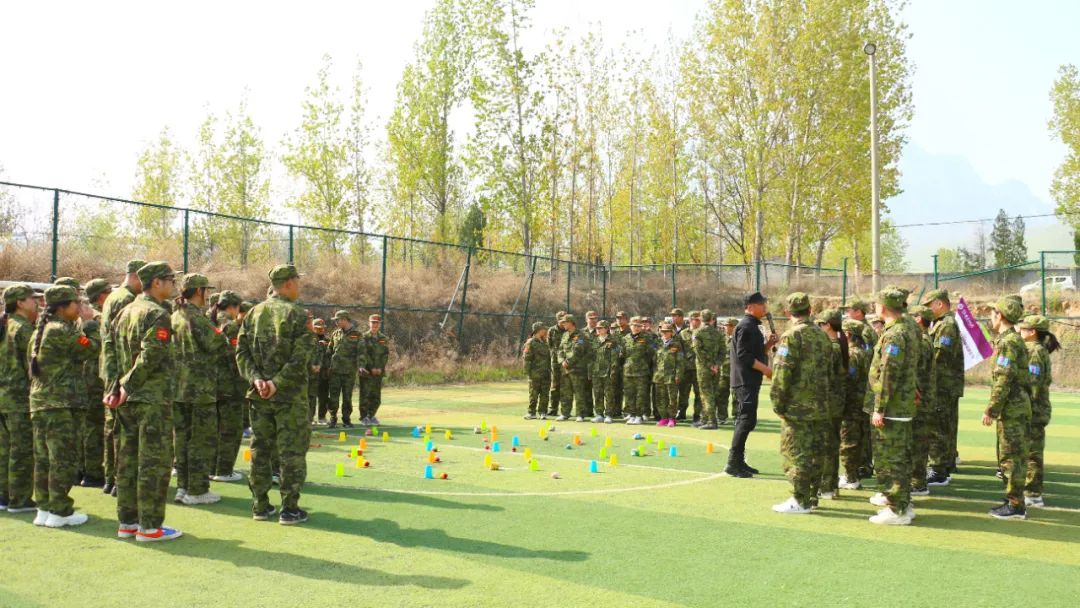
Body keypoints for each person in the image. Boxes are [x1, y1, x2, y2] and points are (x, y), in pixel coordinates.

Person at [103, 261, 183, 542]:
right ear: (157, 283)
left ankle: (128, 522)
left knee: (127, 461)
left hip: (126, 400)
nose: (173, 285)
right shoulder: (157, 314)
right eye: (170, 280)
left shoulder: (124, 312)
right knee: (154, 463)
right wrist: (128, 384)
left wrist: (115, 387)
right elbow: (151, 354)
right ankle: (149, 526)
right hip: (151, 399)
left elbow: (109, 351)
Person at [236, 264, 315, 525]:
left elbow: (241, 353)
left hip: (259, 396)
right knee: (291, 452)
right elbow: (301, 357)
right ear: (289, 283)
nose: (299, 286)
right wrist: (277, 383)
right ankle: (289, 509)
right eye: (297, 281)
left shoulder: (253, 313)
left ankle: (260, 505)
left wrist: (257, 380)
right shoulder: (299, 315)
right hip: (290, 397)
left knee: (260, 449)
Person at [27, 285, 99, 527]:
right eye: (76, 303)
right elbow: (91, 348)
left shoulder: (42, 330)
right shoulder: (61, 330)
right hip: (61, 403)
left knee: (44, 458)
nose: (80, 307)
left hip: (43, 403)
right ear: (62, 307)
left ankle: (45, 508)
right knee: (63, 458)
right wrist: (89, 324)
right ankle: (60, 511)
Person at [770, 293, 831, 513]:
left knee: (795, 453)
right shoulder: (822, 335)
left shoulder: (791, 336)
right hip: (820, 405)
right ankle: (811, 496)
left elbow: (781, 373)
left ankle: (800, 499)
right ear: (810, 310)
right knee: (815, 453)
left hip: (797, 408)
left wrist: (777, 403)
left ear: (788, 312)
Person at [170, 273, 226, 506]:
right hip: (199, 388)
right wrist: (223, 333)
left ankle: (183, 486)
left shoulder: (175, 315)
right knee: (201, 440)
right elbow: (215, 343)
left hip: (178, 387)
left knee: (182, 439)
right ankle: (197, 489)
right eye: (205, 290)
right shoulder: (196, 317)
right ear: (199, 291)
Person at [866, 288, 917, 525]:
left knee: (891, 459)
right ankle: (903, 504)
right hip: (901, 404)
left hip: (893, 408)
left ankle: (897, 509)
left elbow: (888, 373)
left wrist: (880, 407)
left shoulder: (895, 334)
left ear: (883, 307)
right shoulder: (906, 328)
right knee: (900, 458)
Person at [982, 297, 1032, 520]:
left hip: (1013, 408)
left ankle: (1016, 505)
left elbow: (1003, 379)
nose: (991, 317)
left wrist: (991, 410)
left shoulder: (1008, 342)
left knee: (1011, 457)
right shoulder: (1010, 339)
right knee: (1009, 455)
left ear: (1000, 315)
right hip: (1014, 406)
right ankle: (1013, 499)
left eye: (993, 313)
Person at [99, 258, 144, 497]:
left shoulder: (114, 296)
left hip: (112, 369)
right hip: (120, 371)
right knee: (122, 429)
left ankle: (111, 478)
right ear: (136, 276)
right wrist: (119, 382)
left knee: (113, 427)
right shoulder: (126, 299)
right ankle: (120, 479)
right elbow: (121, 341)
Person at [0, 284, 41, 514]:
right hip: (19, 398)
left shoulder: (4, 324)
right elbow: (33, 366)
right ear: (20, 303)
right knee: (22, 449)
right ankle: (20, 498)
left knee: (4, 449)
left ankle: (4, 495)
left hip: (4, 397)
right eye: (32, 299)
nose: (37, 302)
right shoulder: (23, 329)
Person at [728, 292, 777, 478]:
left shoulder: (754, 326)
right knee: (745, 420)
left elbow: (754, 352)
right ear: (750, 307)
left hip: (750, 380)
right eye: (761, 304)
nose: (765, 308)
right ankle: (733, 463)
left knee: (749, 420)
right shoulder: (746, 326)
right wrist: (766, 370)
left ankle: (739, 461)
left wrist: (768, 344)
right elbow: (743, 355)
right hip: (744, 380)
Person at [922, 288, 964, 485]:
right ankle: (945, 465)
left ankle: (938, 470)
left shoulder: (946, 325)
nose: (927, 310)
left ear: (939, 304)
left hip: (941, 384)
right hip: (945, 384)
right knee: (946, 426)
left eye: (929, 305)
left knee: (938, 428)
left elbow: (940, 356)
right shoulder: (942, 323)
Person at [1019, 315, 1057, 507]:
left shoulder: (1035, 352)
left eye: (1023, 328)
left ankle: (1033, 493)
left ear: (1032, 332)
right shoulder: (1037, 349)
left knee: (1032, 453)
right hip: (1035, 408)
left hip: (1034, 409)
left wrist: (1023, 406)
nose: (1020, 331)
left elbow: (1032, 384)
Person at [78, 279, 111, 489]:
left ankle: (83, 469)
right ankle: (92, 472)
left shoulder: (78, 319)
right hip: (94, 380)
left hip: (84, 380)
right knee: (94, 427)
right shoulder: (94, 320)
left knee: (87, 426)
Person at [210, 290, 246, 482]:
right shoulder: (230, 326)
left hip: (211, 384)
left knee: (214, 428)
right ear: (234, 306)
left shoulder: (208, 321)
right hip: (230, 385)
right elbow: (236, 358)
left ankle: (211, 467)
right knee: (230, 429)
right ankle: (224, 470)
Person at [816, 309, 848, 500]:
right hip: (835, 401)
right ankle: (830, 485)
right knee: (831, 443)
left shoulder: (832, 348)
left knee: (827, 444)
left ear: (828, 325)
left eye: (821, 324)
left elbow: (825, 377)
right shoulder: (837, 345)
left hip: (829, 402)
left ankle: (827, 486)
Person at [839, 319, 871, 490]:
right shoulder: (865, 352)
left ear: (848, 334)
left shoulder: (852, 354)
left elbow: (848, 379)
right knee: (860, 440)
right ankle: (856, 472)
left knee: (849, 441)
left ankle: (850, 477)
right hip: (863, 403)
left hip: (852, 404)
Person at [325, 310, 365, 429]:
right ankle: (333, 418)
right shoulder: (335, 333)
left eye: (337, 320)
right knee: (333, 396)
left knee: (347, 397)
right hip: (335, 371)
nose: (336, 322)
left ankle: (346, 420)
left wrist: (361, 366)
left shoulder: (357, 335)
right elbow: (329, 351)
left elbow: (361, 352)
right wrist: (327, 366)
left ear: (344, 320)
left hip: (349, 371)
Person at [691, 309, 724, 430]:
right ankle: (704, 419)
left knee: (706, 394)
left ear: (701, 318)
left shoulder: (697, 332)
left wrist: (710, 365)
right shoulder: (718, 333)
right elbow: (723, 351)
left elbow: (698, 351)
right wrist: (717, 365)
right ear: (712, 319)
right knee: (711, 393)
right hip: (715, 369)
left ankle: (711, 421)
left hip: (704, 368)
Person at [557, 314, 592, 422]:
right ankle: (565, 413)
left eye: (565, 322)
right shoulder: (564, 335)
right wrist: (562, 360)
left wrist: (568, 361)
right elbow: (560, 350)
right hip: (565, 369)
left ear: (571, 323)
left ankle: (580, 414)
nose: (563, 324)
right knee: (565, 392)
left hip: (577, 369)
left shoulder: (581, 335)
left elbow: (578, 351)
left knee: (579, 392)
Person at [620, 317, 654, 425]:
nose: (636, 327)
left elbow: (650, 354)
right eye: (634, 325)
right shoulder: (625, 338)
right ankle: (632, 414)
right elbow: (623, 354)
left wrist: (643, 364)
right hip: (628, 371)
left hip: (641, 372)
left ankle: (639, 416)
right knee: (630, 395)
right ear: (630, 326)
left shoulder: (647, 338)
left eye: (639, 326)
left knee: (641, 395)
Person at [653, 322, 685, 427]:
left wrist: (678, 375)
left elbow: (680, 361)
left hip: (671, 376)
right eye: (663, 331)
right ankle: (664, 418)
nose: (665, 333)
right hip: (659, 376)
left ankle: (672, 418)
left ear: (671, 333)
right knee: (660, 398)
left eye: (667, 332)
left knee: (672, 398)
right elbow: (654, 360)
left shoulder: (676, 344)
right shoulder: (658, 344)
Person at [359, 314, 389, 425]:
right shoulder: (364, 337)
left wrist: (380, 367)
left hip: (378, 372)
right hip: (367, 371)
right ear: (369, 323)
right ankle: (364, 417)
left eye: (377, 323)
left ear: (380, 324)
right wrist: (371, 367)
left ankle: (371, 415)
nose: (375, 325)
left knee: (376, 397)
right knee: (365, 395)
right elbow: (364, 354)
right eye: (373, 322)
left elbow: (385, 355)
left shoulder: (383, 338)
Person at [590, 320, 621, 423]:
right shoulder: (594, 340)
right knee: (597, 394)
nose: (598, 330)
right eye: (597, 328)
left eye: (600, 328)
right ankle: (599, 414)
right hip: (596, 372)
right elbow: (591, 357)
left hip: (608, 372)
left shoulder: (613, 341)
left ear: (606, 329)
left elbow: (615, 357)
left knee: (609, 394)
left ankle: (609, 414)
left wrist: (613, 371)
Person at [522, 322, 551, 419]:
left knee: (545, 394)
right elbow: (527, 358)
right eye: (543, 329)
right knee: (533, 394)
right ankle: (531, 413)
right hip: (535, 374)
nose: (545, 331)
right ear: (538, 330)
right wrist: (528, 373)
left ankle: (543, 412)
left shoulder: (545, 342)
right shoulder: (530, 342)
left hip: (546, 373)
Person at [677, 311, 701, 422]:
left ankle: (697, 414)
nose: (697, 321)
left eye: (699, 320)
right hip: (686, 368)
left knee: (699, 393)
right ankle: (681, 412)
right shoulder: (683, 334)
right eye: (695, 319)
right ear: (690, 320)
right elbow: (679, 351)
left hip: (699, 368)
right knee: (683, 392)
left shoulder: (703, 333)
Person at [309, 318, 328, 424]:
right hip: (312, 372)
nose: (321, 330)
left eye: (322, 328)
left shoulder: (328, 340)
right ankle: (310, 417)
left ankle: (322, 417)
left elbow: (330, 355)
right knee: (311, 395)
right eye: (318, 328)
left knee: (323, 396)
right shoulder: (309, 340)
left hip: (324, 372)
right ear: (313, 328)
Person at [547, 312, 566, 418]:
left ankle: (565, 410)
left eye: (565, 321)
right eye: (561, 321)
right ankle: (553, 409)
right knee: (555, 386)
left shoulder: (568, 330)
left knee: (566, 386)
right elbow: (549, 345)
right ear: (557, 320)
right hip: (555, 362)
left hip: (567, 362)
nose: (563, 323)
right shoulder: (552, 330)